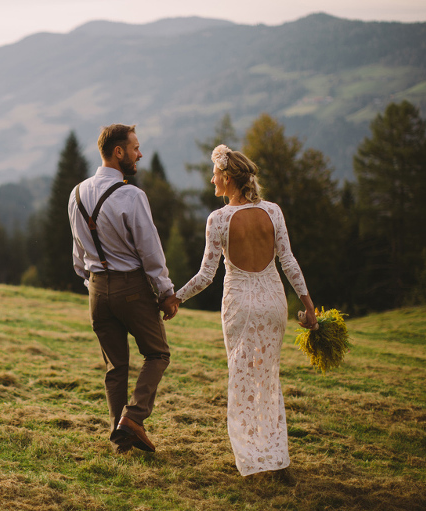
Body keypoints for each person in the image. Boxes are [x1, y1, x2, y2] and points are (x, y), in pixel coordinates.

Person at [162, 144, 317, 476]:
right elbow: (288, 262)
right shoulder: (273, 212)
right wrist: (308, 306)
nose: (211, 179)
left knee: (243, 378)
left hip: (240, 306)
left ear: (228, 177)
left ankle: (252, 455)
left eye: (215, 173)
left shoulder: (218, 219)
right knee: (268, 377)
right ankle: (275, 454)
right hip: (273, 302)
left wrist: (176, 297)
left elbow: (206, 275)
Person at [68, 124, 177, 454]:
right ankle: (132, 418)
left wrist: (95, 284)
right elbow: (150, 250)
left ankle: (121, 443)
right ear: (119, 152)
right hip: (131, 287)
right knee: (157, 353)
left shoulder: (76, 194)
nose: (139, 154)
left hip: (96, 290)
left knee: (116, 366)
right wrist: (165, 291)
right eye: (135, 148)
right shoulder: (132, 195)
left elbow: (77, 256)